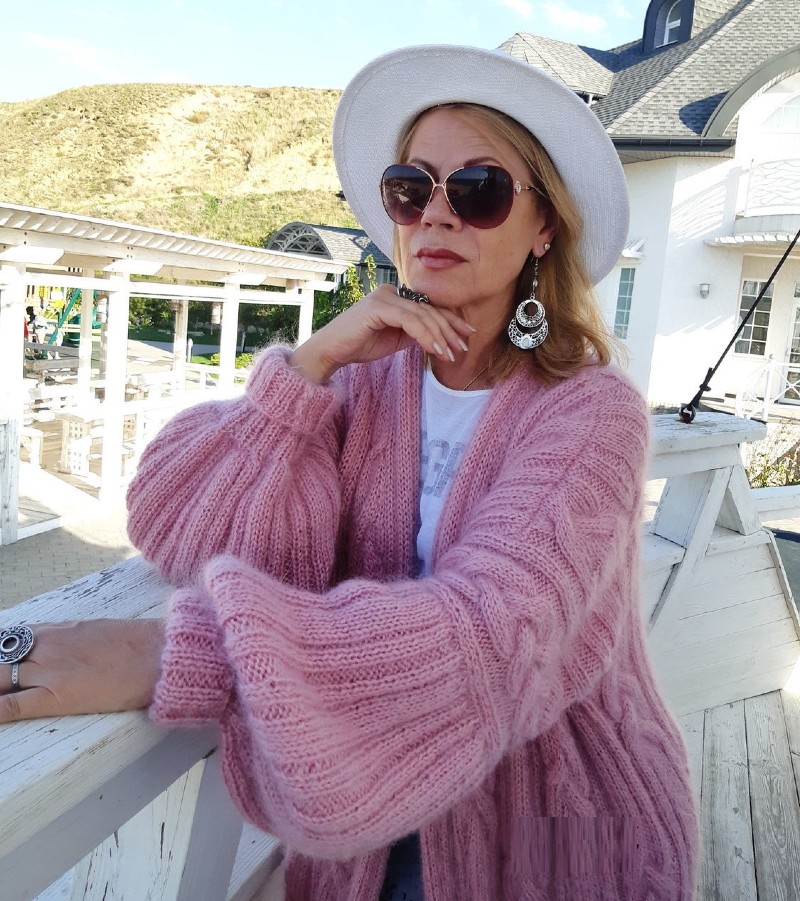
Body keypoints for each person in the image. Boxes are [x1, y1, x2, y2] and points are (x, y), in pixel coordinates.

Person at [0, 45, 699, 900]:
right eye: (411, 188)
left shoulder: (591, 412)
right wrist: (309, 366)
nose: (436, 215)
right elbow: (172, 519)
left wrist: (184, 653)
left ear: (543, 226)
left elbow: (498, 632)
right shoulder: (365, 383)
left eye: (478, 190)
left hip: (553, 832)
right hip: (365, 835)